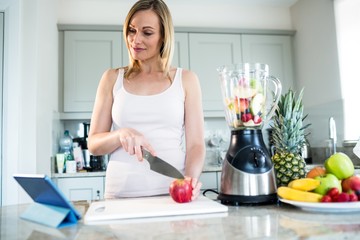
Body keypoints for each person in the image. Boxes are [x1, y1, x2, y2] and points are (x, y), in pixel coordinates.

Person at [88, 0, 205, 200]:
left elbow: (196, 144)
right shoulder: (112, 78)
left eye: (147, 32)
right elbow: (94, 144)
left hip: (173, 194)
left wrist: (189, 180)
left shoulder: (186, 80)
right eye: (131, 30)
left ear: (163, 37)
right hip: (120, 195)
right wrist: (120, 135)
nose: (135, 40)